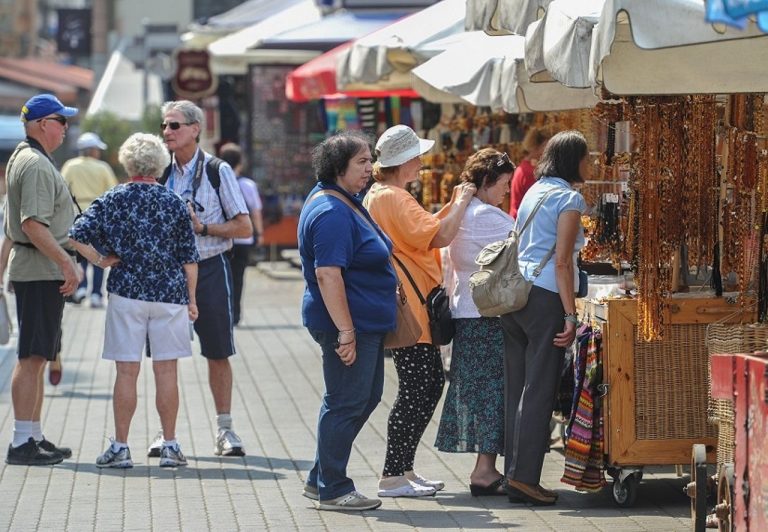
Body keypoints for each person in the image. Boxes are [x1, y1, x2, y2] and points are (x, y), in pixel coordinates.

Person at [69, 133, 199, 468]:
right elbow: (189, 258)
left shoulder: (114, 198)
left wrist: (99, 260)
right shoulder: (174, 201)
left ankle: (121, 447)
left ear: (127, 163)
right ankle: (170, 445)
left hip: (127, 292)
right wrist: (192, 300)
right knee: (166, 370)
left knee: (126, 372)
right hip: (169, 294)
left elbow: (76, 234)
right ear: (160, 164)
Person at [363, 125, 476, 497]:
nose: (421, 163)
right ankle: (393, 474)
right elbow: (439, 235)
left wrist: (454, 203)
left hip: (409, 302)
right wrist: (461, 202)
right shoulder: (393, 197)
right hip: (411, 307)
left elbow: (428, 228)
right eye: (417, 157)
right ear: (405, 161)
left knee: (423, 387)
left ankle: (402, 469)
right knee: (418, 389)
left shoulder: (384, 195)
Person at [298, 131, 397, 511]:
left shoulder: (345, 201)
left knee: (364, 397)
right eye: (361, 162)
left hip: (362, 321)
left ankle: (318, 477)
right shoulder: (331, 211)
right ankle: (334, 487)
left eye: (369, 160)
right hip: (346, 322)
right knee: (345, 401)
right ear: (338, 167)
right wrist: (346, 331)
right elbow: (328, 274)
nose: (370, 168)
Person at [149, 100, 252, 458]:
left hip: (209, 267)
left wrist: (204, 227)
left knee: (218, 350)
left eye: (174, 126)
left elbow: (244, 225)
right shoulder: (160, 171)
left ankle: (225, 430)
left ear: (196, 129)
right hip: (168, 273)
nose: (167, 133)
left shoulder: (217, 170)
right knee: (164, 355)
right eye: (164, 126)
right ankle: (167, 435)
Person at [500, 130, 589, 505]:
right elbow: (564, 262)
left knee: (517, 386)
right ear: (574, 161)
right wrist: (571, 315)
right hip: (544, 298)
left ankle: (513, 474)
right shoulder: (569, 198)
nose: (591, 164)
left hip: (515, 295)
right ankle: (524, 479)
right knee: (538, 389)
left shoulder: (536, 190)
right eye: (586, 158)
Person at [4, 93, 80, 466]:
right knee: (32, 356)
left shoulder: (29, 157)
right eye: (60, 120)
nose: (66, 127)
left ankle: (32, 435)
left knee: (39, 354)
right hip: (38, 270)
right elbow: (31, 224)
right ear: (40, 125)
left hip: (36, 269)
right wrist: (68, 262)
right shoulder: (34, 163)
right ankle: (21, 441)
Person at [434, 148, 515, 496]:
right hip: (487, 315)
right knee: (493, 392)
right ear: (486, 182)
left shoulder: (461, 211)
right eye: (504, 184)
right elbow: (527, 247)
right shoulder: (489, 218)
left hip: (465, 312)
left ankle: (485, 468)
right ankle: (484, 470)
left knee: (478, 391)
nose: (507, 192)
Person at [61, 132, 119, 308]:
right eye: (97, 149)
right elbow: (113, 191)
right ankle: (95, 294)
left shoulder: (70, 166)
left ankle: (81, 288)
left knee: (80, 254)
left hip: (75, 213)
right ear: (91, 150)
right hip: (97, 215)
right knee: (100, 255)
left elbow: (62, 189)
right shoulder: (103, 168)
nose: (98, 153)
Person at [218, 143, 264, 326]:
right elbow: (256, 211)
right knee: (238, 278)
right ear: (240, 163)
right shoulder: (248, 185)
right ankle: (235, 315)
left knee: (221, 278)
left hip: (221, 238)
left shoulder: (217, 183)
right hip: (244, 239)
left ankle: (223, 314)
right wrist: (259, 234)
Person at [509, 127, 550, 219]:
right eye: (546, 146)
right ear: (539, 146)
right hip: (524, 221)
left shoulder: (523, 167)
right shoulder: (530, 172)